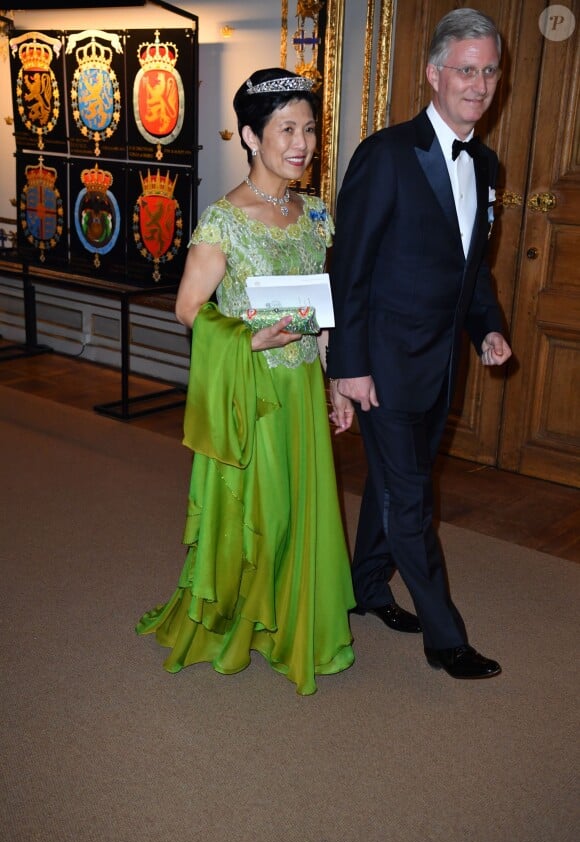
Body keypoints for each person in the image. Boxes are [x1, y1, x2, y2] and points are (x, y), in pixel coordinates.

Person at [136, 68, 355, 696]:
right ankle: (244, 619)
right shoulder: (223, 221)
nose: (303, 143)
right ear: (253, 137)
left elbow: (319, 310)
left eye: (309, 129)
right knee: (260, 516)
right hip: (251, 395)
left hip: (301, 393)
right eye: (287, 129)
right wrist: (246, 340)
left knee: (301, 512)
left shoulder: (315, 214)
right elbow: (187, 308)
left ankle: (292, 621)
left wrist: (334, 381)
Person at [326, 8, 512, 679]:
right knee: (411, 501)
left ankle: (367, 587)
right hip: (381, 360)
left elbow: (473, 265)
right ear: (435, 74)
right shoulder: (387, 154)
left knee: (393, 480)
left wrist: (487, 327)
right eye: (467, 70)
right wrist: (347, 366)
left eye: (490, 71)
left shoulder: (486, 163)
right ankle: (446, 638)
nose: (480, 84)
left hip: (441, 363)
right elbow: (348, 267)